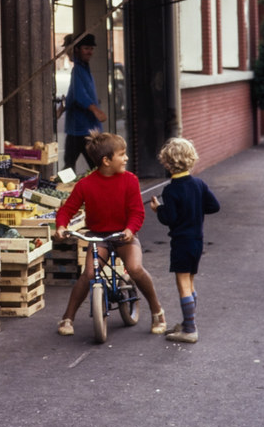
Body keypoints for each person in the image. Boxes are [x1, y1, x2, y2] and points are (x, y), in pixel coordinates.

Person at [54, 131, 166, 336]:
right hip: (98, 236)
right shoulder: (85, 184)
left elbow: (136, 212)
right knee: (88, 275)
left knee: (134, 268)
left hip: (124, 235)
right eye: (122, 154)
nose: (126, 158)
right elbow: (66, 210)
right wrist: (61, 226)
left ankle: (157, 311)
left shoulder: (130, 180)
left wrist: (130, 230)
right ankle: (67, 317)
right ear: (106, 160)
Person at [150, 137, 220, 344]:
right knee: (190, 282)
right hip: (197, 241)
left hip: (181, 242)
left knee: (182, 284)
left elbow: (169, 219)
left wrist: (158, 209)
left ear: (167, 163)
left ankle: (190, 329)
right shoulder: (199, 184)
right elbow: (214, 206)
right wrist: (197, 208)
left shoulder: (171, 190)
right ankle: (188, 321)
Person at [62, 33, 106, 172]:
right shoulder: (78, 69)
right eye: (86, 48)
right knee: (70, 166)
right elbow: (78, 96)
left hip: (85, 130)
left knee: (90, 165)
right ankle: (64, 189)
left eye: (91, 49)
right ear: (77, 49)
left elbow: (77, 95)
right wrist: (95, 110)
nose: (90, 52)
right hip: (79, 130)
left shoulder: (83, 68)